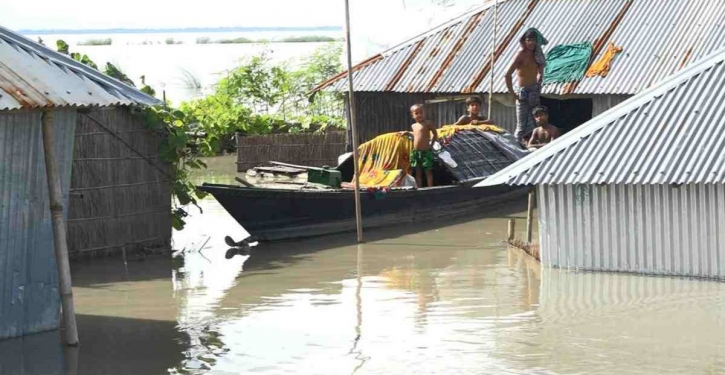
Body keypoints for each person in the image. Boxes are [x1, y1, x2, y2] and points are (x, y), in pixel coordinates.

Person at [506, 28, 547, 145]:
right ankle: (516, 149)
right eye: (529, 40)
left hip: (534, 89)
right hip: (522, 92)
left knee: (536, 121)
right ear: (524, 41)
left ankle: (535, 145)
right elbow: (507, 75)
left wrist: (540, 79)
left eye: (533, 40)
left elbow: (541, 69)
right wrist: (513, 94)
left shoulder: (537, 54)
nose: (531, 43)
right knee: (521, 125)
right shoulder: (520, 55)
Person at [409, 104, 438, 188]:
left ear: (424, 113)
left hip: (426, 151)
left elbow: (435, 134)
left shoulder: (428, 123)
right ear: (412, 115)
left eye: (421, 112)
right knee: (418, 172)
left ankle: (430, 188)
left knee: (428, 171)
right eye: (416, 113)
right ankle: (419, 188)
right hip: (416, 152)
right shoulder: (413, 126)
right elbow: (416, 134)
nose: (419, 115)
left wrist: (431, 145)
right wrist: (406, 133)